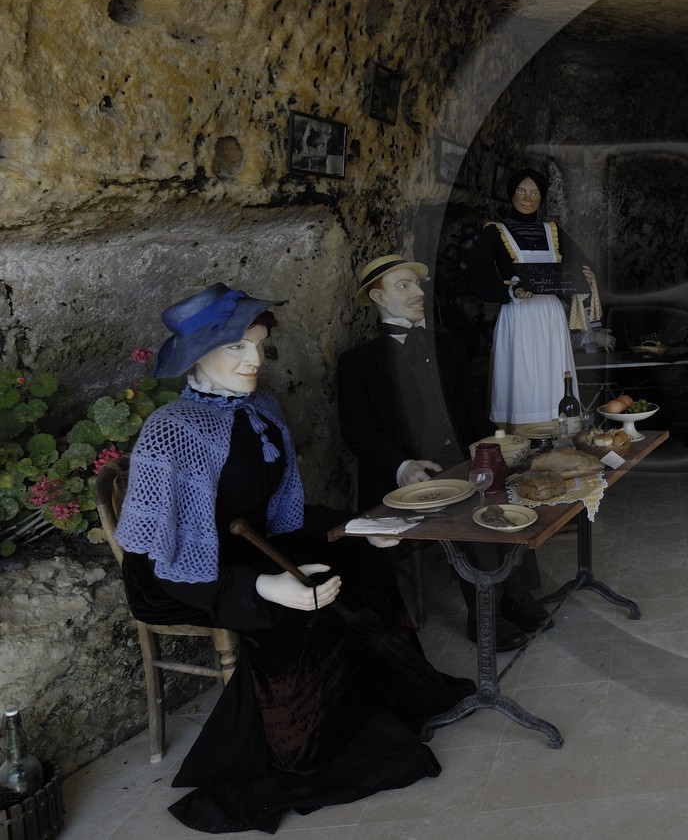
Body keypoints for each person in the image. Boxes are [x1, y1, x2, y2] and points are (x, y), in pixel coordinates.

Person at [114, 283, 472, 834]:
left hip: (247, 542)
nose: (254, 360)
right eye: (237, 348)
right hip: (180, 571)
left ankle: (383, 701)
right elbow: (172, 554)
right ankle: (301, 751)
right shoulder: (171, 431)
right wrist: (264, 587)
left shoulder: (260, 406)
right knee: (295, 613)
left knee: (361, 567)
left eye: (257, 345)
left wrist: (353, 529)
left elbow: (281, 511)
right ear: (196, 357)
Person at [337, 254, 550, 651]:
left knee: (507, 492)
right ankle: (483, 615)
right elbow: (358, 432)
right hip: (407, 474)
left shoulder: (448, 345)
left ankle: (518, 596)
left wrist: (494, 449)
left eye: (418, 285)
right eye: (404, 286)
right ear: (378, 296)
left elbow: (470, 410)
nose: (418, 293)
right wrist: (402, 466)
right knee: (473, 505)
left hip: (461, 458)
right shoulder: (358, 362)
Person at [466, 168, 598, 428]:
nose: (528, 198)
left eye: (535, 193)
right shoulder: (495, 231)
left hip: (550, 315)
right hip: (518, 314)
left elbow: (581, 265)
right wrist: (509, 291)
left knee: (553, 375)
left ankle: (558, 433)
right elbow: (476, 276)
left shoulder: (554, 231)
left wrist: (582, 277)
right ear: (511, 194)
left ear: (542, 198)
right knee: (522, 378)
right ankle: (521, 435)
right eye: (522, 191)